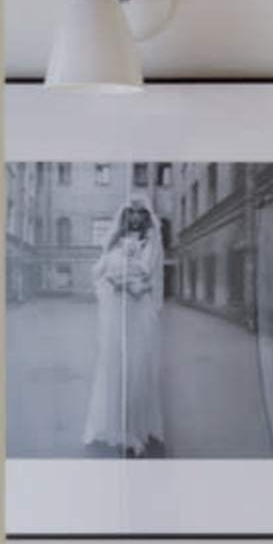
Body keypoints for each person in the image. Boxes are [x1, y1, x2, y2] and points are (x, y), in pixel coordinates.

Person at [84, 194, 170, 459]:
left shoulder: (151, 241)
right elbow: (99, 271)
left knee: (138, 368)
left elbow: (148, 273)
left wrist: (134, 282)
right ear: (124, 216)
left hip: (139, 310)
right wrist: (114, 277)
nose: (135, 217)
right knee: (115, 367)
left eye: (140, 213)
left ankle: (136, 431)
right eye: (131, 213)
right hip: (117, 311)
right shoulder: (113, 242)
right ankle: (114, 427)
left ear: (146, 217)